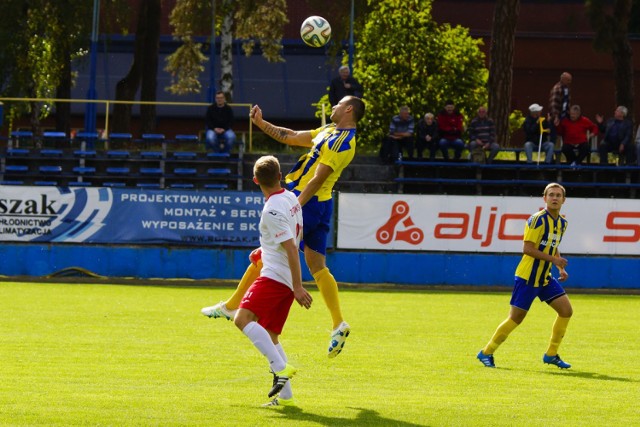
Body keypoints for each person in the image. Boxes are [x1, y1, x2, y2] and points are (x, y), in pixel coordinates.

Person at [202, 95, 366, 359]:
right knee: (318, 267)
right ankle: (338, 324)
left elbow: (316, 179)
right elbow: (290, 136)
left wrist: (294, 207)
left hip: (306, 201)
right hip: (320, 204)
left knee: (266, 253)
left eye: (338, 104)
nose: (333, 106)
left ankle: (232, 306)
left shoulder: (342, 142)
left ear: (349, 109)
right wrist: (261, 122)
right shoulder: (329, 131)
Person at [233, 155, 312, 407]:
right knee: (271, 334)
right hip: (285, 277)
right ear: (280, 176)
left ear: (255, 180)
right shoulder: (290, 197)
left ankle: (280, 368)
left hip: (276, 277)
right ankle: (286, 397)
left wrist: (298, 286)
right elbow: (289, 236)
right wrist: (263, 250)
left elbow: (290, 247)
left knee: (242, 319)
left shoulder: (271, 209)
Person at [477, 182, 573, 369]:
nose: (554, 198)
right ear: (544, 198)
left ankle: (551, 354)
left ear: (564, 200)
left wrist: (559, 266)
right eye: (551, 195)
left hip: (545, 277)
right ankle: (486, 352)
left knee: (566, 311)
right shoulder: (537, 219)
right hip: (528, 277)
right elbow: (527, 249)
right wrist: (554, 261)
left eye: (558, 195)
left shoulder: (562, 223)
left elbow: (553, 245)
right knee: (516, 318)